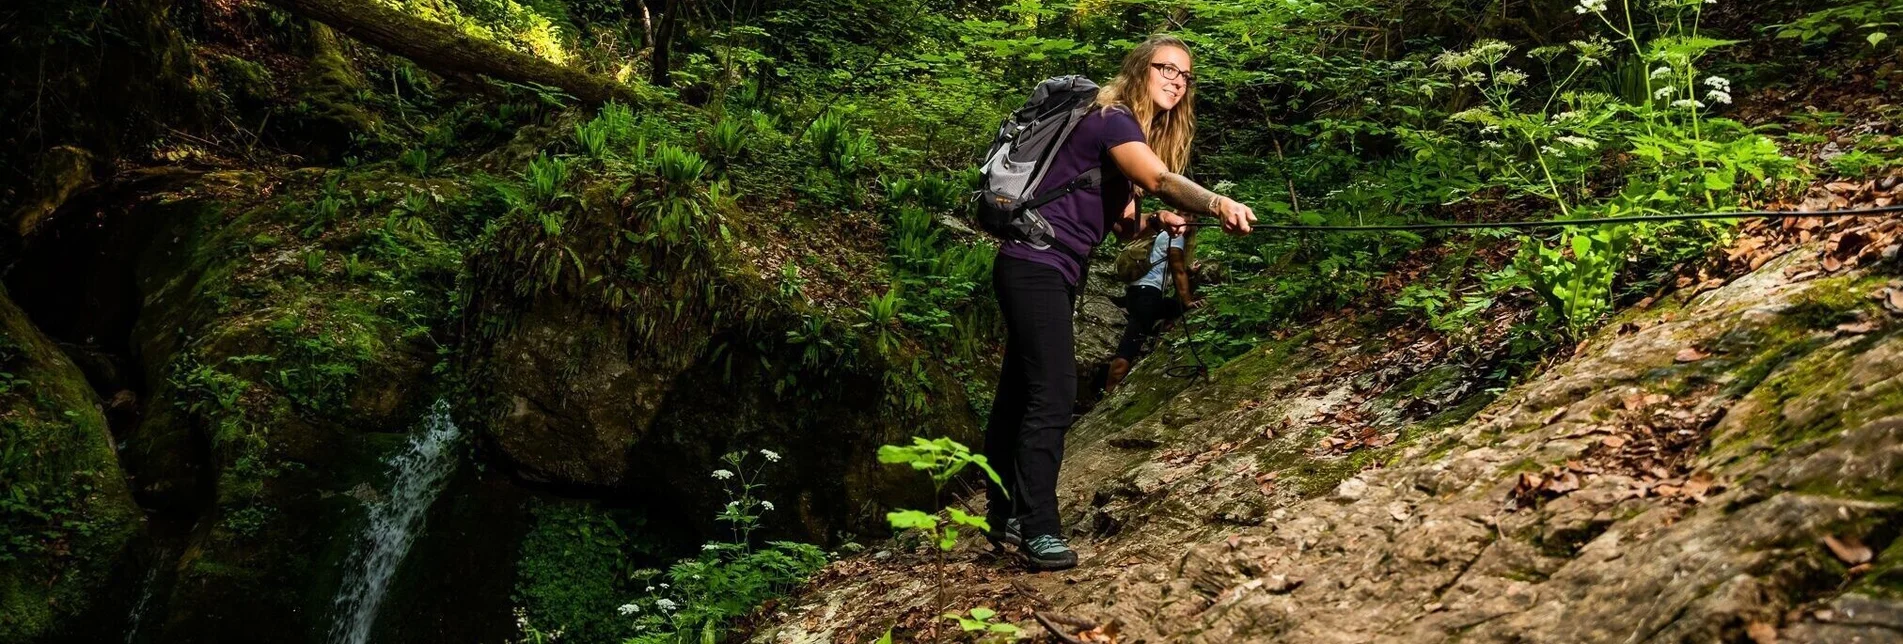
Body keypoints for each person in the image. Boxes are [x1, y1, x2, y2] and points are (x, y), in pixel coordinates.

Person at [984, 35, 1255, 571]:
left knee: (1019, 391)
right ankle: (1039, 528)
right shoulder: (1114, 117)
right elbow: (1156, 178)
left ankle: (1004, 514)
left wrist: (1156, 223)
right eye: (1166, 68)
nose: (1176, 80)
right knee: (1055, 393)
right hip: (1036, 265)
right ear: (1139, 69)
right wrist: (1217, 201)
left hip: (1046, 266)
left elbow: (1119, 221)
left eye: (1185, 75)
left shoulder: (1119, 128)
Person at [1105, 227, 1196, 395]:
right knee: (1129, 345)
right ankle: (1109, 390)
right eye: (1184, 214)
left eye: (1191, 216)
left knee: (1172, 308)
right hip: (1147, 295)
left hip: (1137, 294)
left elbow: (1162, 265)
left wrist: (1189, 271)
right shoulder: (1175, 236)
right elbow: (1178, 271)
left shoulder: (1162, 233)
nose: (1187, 220)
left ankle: (1161, 325)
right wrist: (1188, 300)